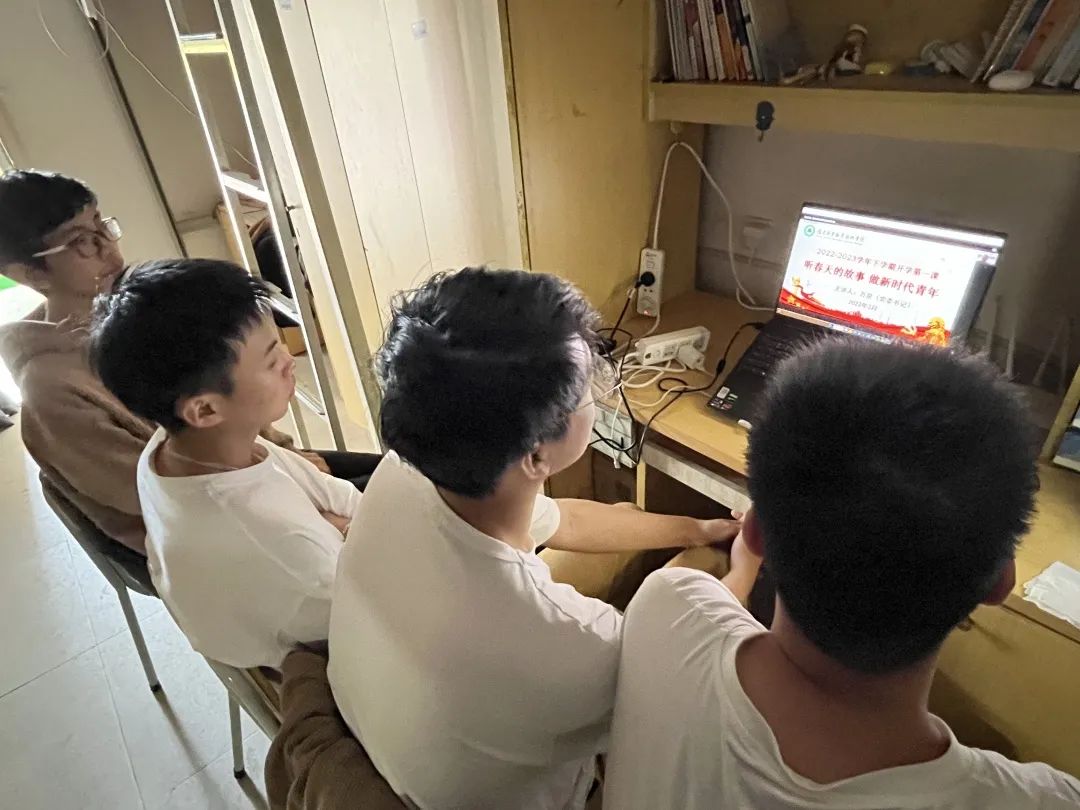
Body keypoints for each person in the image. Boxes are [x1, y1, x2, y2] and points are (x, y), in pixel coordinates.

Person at [328, 267, 743, 810]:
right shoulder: (570, 646)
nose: (597, 391)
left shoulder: (412, 470)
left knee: (642, 526)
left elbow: (562, 520)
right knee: (707, 578)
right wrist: (743, 561)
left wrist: (696, 528)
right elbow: (687, 678)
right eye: (586, 388)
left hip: (387, 730)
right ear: (536, 455)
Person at [604, 340, 1080, 809]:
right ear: (999, 582)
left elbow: (706, 607)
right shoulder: (1042, 800)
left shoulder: (666, 605)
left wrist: (744, 564)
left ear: (755, 533)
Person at [0, 169, 377, 553]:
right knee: (399, 507)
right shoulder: (51, 394)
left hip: (263, 476)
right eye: (81, 242)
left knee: (402, 472)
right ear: (30, 274)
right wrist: (313, 511)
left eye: (102, 225)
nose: (108, 248)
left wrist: (287, 458)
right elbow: (170, 501)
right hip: (225, 535)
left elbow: (231, 407)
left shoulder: (134, 317)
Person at [89, 259, 359, 669]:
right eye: (270, 360)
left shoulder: (174, 446)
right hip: (332, 657)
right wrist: (338, 526)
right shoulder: (275, 540)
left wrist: (338, 523)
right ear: (205, 410)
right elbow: (366, 614)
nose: (289, 360)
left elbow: (333, 497)